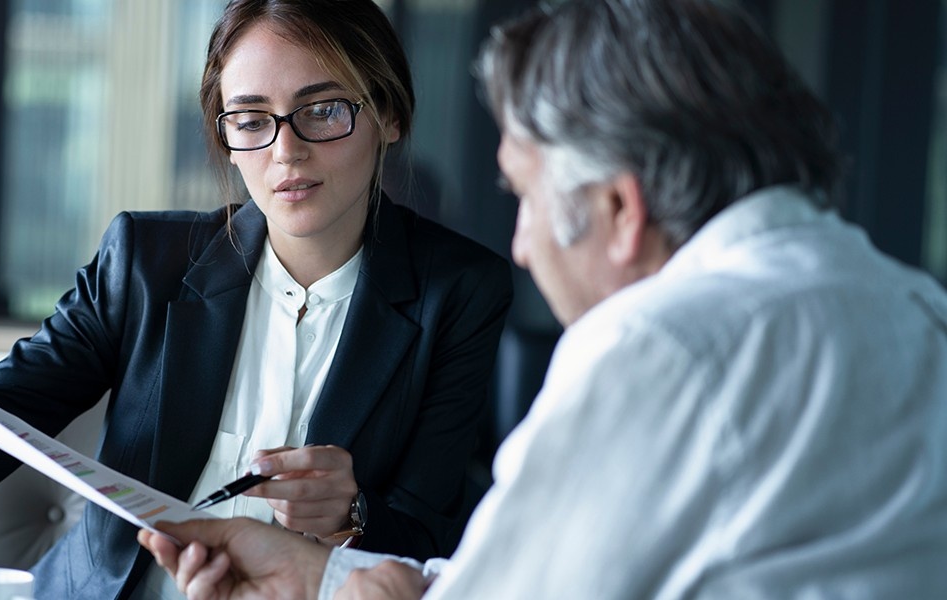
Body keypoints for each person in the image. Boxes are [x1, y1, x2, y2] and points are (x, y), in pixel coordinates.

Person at [136, 0, 947, 598]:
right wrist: (324, 577)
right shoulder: (910, 307)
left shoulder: (660, 346)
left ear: (620, 212)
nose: (520, 245)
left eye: (525, 195)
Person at [0, 0, 513, 598]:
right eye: (250, 119)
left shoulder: (458, 291)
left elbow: (436, 539)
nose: (287, 152)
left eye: (323, 110)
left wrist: (351, 515)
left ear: (388, 114)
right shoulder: (144, 263)